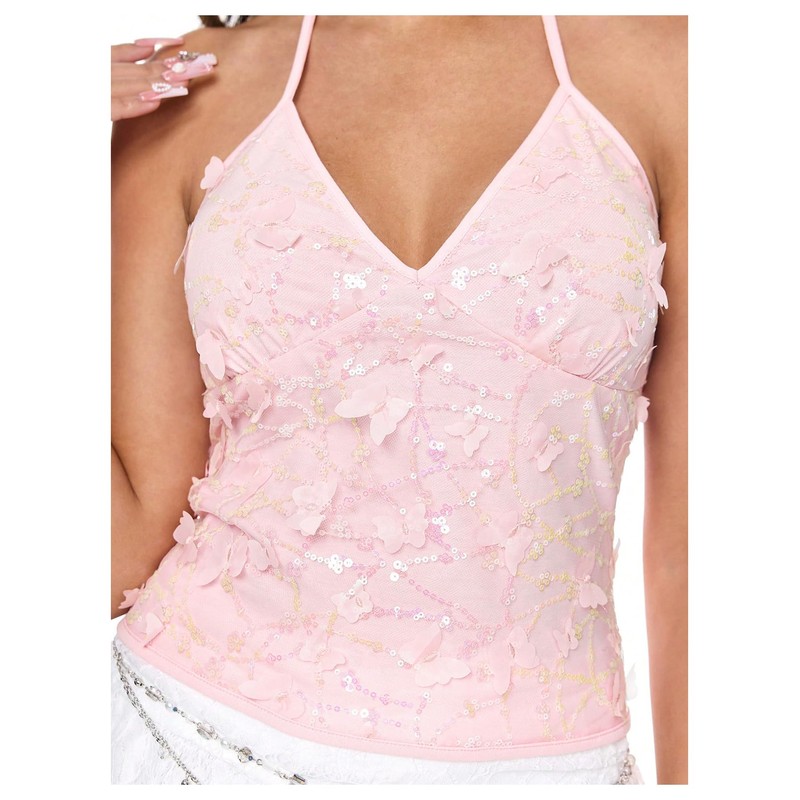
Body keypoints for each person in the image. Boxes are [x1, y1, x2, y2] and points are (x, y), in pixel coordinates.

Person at [111, 15, 687, 785]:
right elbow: (123, 545)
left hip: (550, 769)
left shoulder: (669, 71)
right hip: (186, 746)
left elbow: (702, 547)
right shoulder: (188, 89)